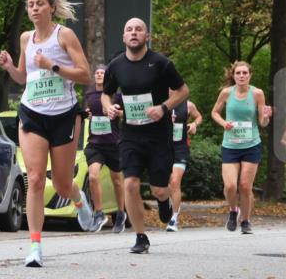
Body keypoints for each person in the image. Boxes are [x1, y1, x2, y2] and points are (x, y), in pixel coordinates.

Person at [0, 0, 93, 268]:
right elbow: (24, 78)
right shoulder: (26, 38)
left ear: (51, 7)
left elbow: (85, 75)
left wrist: (53, 66)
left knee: (63, 183)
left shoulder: (64, 35)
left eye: (40, 3)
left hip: (62, 114)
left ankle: (78, 199)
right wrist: (9, 68)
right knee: (36, 179)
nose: (35, 8)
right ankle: (35, 246)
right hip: (32, 113)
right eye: (30, 4)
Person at [102, 18, 189, 254]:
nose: (133, 33)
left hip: (158, 135)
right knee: (130, 183)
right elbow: (105, 94)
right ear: (123, 37)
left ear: (146, 36)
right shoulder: (116, 65)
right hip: (130, 134)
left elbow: (183, 91)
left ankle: (163, 200)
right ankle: (140, 236)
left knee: (160, 189)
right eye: (129, 29)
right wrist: (109, 107)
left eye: (138, 29)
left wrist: (163, 108)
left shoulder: (161, 63)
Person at [210, 61, 272, 234]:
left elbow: (262, 122)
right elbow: (214, 112)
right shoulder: (226, 93)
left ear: (250, 75)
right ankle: (232, 211)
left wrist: (266, 117)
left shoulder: (257, 94)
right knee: (230, 186)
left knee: (245, 186)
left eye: (245, 73)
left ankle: (245, 221)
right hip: (230, 145)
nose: (242, 76)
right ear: (233, 76)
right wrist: (224, 123)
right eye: (238, 73)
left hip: (251, 144)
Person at [84, 64, 127, 234]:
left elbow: (127, 113)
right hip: (95, 144)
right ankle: (99, 213)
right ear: (94, 77)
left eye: (103, 73)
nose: (100, 74)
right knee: (93, 177)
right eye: (97, 73)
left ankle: (121, 213)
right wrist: (88, 113)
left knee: (117, 180)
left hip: (113, 143)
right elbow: (90, 112)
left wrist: (118, 113)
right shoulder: (90, 95)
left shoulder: (116, 96)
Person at [166, 98, 203, 231]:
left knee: (175, 181)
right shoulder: (159, 103)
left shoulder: (187, 105)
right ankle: (171, 204)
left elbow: (199, 117)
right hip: (163, 149)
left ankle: (174, 218)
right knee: (165, 184)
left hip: (180, 149)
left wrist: (194, 124)